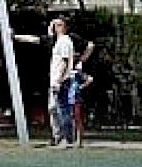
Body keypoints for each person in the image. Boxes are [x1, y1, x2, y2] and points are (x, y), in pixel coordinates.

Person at [15, 18, 92, 146]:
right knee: (53, 108)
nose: (55, 27)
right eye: (54, 25)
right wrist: (15, 36)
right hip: (55, 80)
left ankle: (67, 138)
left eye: (58, 25)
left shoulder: (67, 40)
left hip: (63, 80)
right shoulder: (53, 41)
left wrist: (79, 63)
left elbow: (67, 60)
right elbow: (34, 39)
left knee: (65, 110)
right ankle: (58, 136)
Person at [60, 54, 93, 148]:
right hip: (67, 98)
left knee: (78, 119)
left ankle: (79, 141)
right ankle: (71, 139)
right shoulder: (66, 72)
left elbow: (89, 79)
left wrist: (81, 86)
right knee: (69, 119)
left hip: (76, 98)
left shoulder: (77, 72)